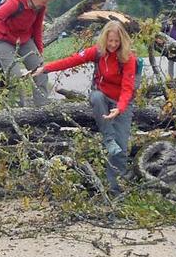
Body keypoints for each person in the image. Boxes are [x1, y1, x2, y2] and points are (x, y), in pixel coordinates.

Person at [35, 21, 137, 194]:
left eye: (116, 42)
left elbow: (128, 88)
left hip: (121, 101)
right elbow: (71, 60)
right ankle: (108, 138)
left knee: (120, 148)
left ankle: (115, 189)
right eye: (110, 41)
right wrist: (45, 68)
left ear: (122, 41)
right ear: (105, 39)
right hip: (102, 97)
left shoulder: (128, 58)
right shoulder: (97, 52)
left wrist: (119, 108)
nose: (113, 45)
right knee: (96, 97)